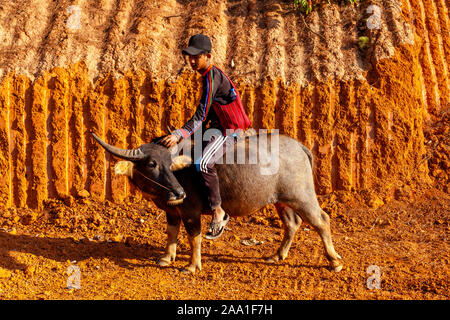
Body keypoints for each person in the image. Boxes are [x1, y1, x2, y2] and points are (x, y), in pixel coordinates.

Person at [161, 34, 251, 239]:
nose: (191, 61)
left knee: (202, 163)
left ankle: (219, 212)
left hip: (230, 130)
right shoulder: (209, 76)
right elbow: (211, 111)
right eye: (189, 57)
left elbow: (201, 114)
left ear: (208, 56)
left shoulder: (212, 76)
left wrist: (179, 133)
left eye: (196, 57)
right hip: (218, 126)